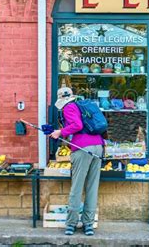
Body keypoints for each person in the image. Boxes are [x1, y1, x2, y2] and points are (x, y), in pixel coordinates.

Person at [49, 87, 104, 236]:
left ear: (61, 99)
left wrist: (59, 132)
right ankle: (88, 225)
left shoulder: (69, 107)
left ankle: (71, 224)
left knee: (77, 188)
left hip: (83, 149)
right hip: (98, 147)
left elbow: (77, 125)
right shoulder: (82, 104)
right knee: (92, 187)